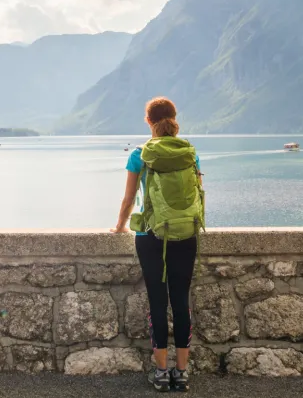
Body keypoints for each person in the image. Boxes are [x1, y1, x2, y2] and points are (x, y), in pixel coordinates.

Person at [111, 97, 202, 393]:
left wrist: (120, 226)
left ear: (148, 121)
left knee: (157, 302)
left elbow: (128, 200)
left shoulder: (139, 154)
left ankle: (162, 373)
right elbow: (198, 194)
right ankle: (182, 373)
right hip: (185, 234)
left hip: (150, 236)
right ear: (175, 118)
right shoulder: (190, 152)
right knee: (180, 303)